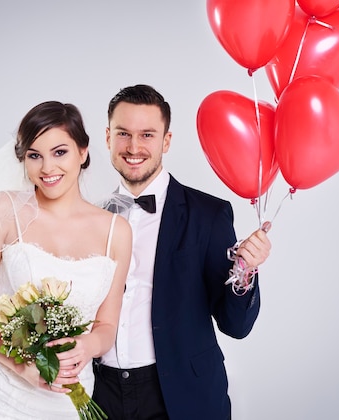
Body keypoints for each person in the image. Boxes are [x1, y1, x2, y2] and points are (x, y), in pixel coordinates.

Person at [0, 101, 132, 419]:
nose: (47, 168)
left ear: (83, 152)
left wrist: (86, 346)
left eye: (60, 152)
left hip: (67, 397)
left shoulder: (117, 231)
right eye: (34, 155)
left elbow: (108, 324)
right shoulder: (3, 210)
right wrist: (23, 366)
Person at [92, 84, 272, 419]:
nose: (134, 147)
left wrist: (245, 269)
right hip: (99, 396)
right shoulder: (90, 216)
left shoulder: (208, 214)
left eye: (147, 134)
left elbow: (235, 325)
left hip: (180, 396)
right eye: (123, 134)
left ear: (167, 141)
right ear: (107, 137)